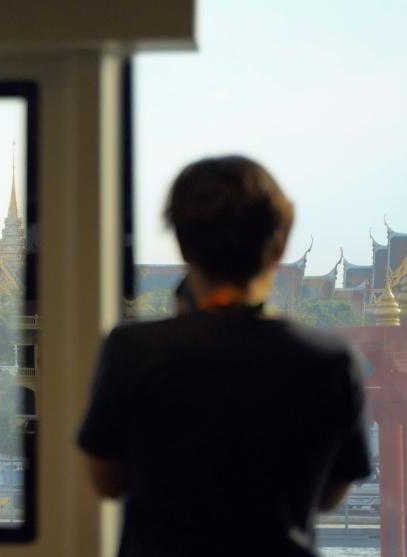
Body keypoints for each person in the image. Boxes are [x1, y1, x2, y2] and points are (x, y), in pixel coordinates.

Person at [77, 155, 371, 556]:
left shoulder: (135, 349)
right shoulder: (329, 360)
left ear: (182, 243)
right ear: (280, 243)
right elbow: (330, 495)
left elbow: (107, 481)